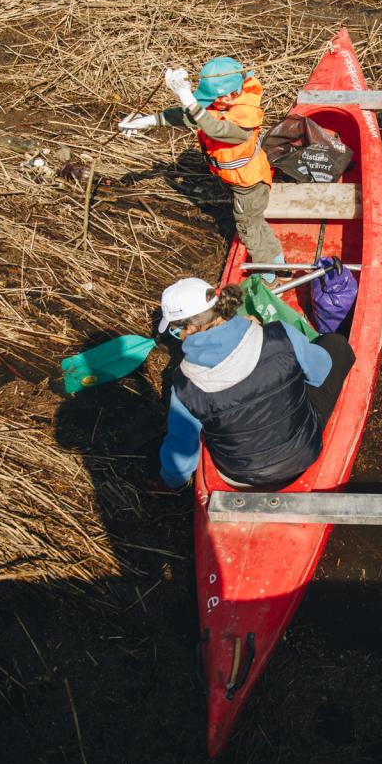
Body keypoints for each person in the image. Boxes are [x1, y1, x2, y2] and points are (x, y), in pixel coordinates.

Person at [156, 277, 355, 491]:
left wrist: (170, 483)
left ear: (191, 328)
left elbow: (182, 451)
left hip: (238, 474)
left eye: (176, 331)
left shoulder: (184, 382)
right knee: (335, 344)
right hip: (304, 452)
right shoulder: (280, 334)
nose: (179, 336)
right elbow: (319, 372)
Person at [120, 58, 284, 280]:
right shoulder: (225, 102)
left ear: (228, 96)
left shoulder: (244, 120)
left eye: (211, 99)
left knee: (248, 227)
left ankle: (269, 276)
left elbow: (215, 128)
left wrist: (186, 97)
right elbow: (191, 116)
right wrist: (147, 121)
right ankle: (279, 263)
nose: (208, 105)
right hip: (244, 182)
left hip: (250, 185)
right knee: (254, 221)